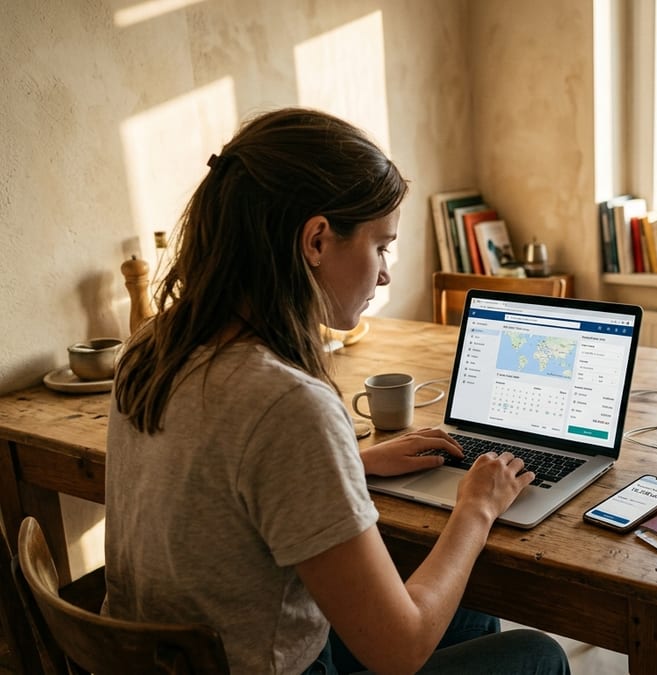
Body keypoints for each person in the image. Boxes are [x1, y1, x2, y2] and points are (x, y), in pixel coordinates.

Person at [105, 107, 571, 675]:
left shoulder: (153, 343)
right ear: (317, 240)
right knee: (537, 655)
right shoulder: (286, 403)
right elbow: (399, 650)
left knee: (470, 613)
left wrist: (352, 461)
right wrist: (477, 507)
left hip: (168, 660)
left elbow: (221, 473)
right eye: (381, 246)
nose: (385, 275)